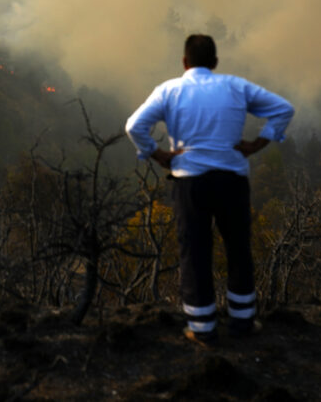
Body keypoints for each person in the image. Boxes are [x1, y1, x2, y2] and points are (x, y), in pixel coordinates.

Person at [125, 35, 294, 345]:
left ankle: (202, 328)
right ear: (215, 63)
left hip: (191, 182)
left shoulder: (170, 90)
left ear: (184, 62)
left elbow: (133, 126)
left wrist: (157, 153)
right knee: (238, 249)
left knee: (195, 252)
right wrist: (259, 142)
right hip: (232, 179)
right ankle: (242, 323)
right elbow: (283, 109)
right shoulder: (236, 86)